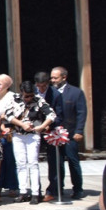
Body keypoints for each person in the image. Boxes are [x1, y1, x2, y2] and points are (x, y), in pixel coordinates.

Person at [4, 80, 55, 204]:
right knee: (20, 163)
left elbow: (52, 115)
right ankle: (22, 191)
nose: (29, 98)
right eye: (26, 96)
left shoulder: (38, 101)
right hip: (18, 134)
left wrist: (42, 126)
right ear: (21, 93)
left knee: (33, 163)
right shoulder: (14, 99)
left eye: (31, 95)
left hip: (33, 135)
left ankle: (35, 193)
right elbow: (8, 115)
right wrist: (21, 124)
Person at [49, 66, 86, 200]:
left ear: (64, 77)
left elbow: (81, 113)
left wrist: (79, 131)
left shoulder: (76, 93)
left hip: (70, 134)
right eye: (51, 77)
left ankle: (78, 189)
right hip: (53, 134)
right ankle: (57, 188)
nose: (52, 80)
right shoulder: (49, 92)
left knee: (73, 161)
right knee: (56, 163)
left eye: (55, 77)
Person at [34, 71, 65, 202]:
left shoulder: (56, 94)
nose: (41, 89)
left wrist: (49, 126)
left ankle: (54, 189)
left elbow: (59, 115)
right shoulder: (32, 92)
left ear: (48, 84)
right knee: (32, 161)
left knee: (54, 161)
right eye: (39, 86)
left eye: (43, 86)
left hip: (50, 130)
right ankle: (35, 190)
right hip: (34, 129)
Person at [0, 73, 18, 197]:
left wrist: (3, 117)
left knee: (10, 160)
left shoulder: (13, 97)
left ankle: (13, 186)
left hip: (10, 131)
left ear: (7, 85)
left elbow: (16, 113)